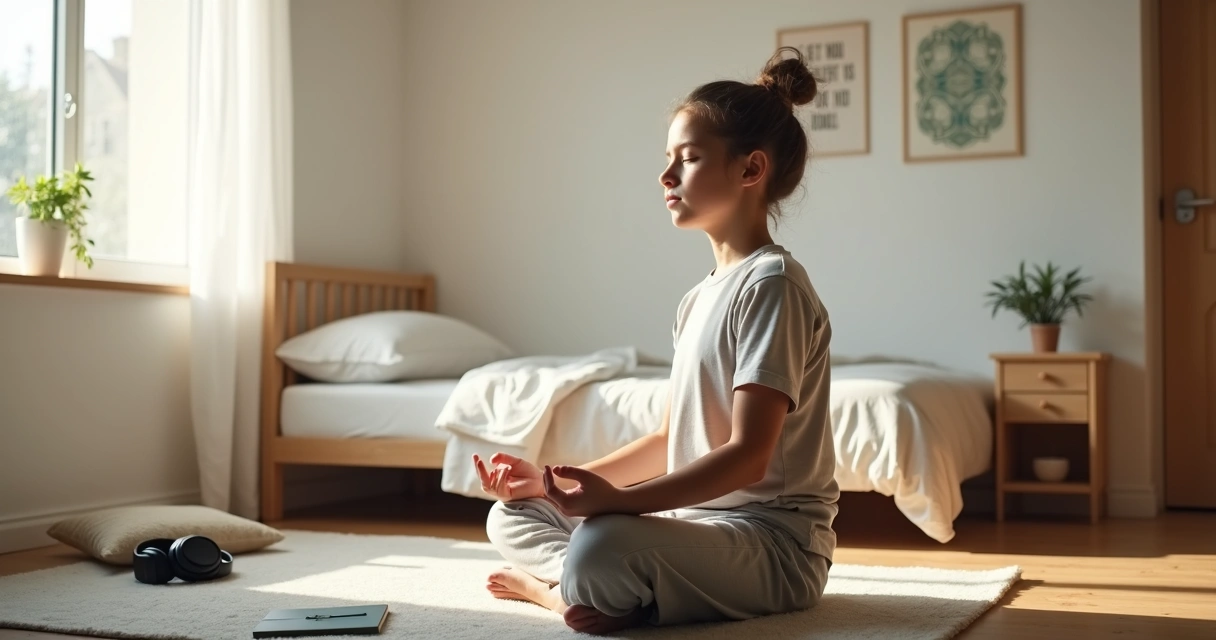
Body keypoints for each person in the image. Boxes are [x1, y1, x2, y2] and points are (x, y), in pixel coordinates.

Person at [472, 46, 838, 635]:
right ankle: (589, 591)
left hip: (774, 547)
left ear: (750, 170)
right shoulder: (697, 299)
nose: (666, 176)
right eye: (668, 159)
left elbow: (750, 456)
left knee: (602, 545)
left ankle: (557, 592)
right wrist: (550, 484)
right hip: (694, 527)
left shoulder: (773, 284)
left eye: (688, 160)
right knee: (509, 515)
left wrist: (618, 504)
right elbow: (671, 438)